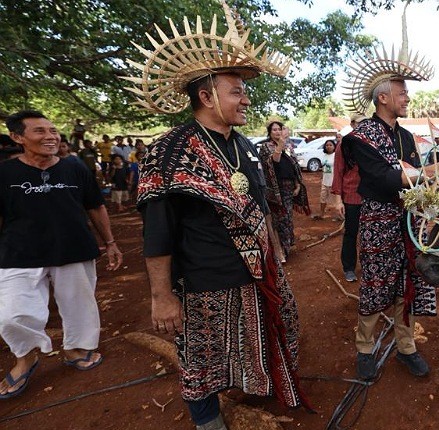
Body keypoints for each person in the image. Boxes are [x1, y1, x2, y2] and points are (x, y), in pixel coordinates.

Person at [125, 2, 308, 428]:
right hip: (204, 281)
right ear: (206, 97)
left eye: (244, 91)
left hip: (259, 271)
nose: (246, 99)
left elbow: (261, 206)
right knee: (202, 360)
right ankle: (207, 419)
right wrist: (161, 296)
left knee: (273, 330)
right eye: (236, 91)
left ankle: (260, 384)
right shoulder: (169, 151)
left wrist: (276, 251)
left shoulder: (245, 145)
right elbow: (157, 233)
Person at [0, 110, 122, 399]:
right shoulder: (4, 173)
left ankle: (76, 348)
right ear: (18, 137)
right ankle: (26, 357)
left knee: (79, 304)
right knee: (11, 313)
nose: (50, 136)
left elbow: (95, 206)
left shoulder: (75, 167)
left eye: (53, 130)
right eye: (40, 131)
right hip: (19, 252)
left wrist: (110, 242)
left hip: (73, 247)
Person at [341, 28, 439, 380]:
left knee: (407, 283)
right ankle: (365, 348)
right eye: (402, 93)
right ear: (382, 97)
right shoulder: (361, 137)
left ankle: (406, 347)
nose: (407, 98)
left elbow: (412, 177)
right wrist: (430, 171)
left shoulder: (407, 136)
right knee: (375, 285)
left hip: (409, 220)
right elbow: (384, 179)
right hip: (378, 220)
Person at [259, 121, 310, 258]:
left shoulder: (288, 146)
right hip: (275, 189)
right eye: (274, 129)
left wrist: (297, 184)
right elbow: (273, 162)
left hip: (289, 187)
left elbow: (294, 166)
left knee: (287, 217)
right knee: (278, 219)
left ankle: (286, 246)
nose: (277, 132)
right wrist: (280, 146)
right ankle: (279, 250)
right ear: (270, 132)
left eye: (279, 129)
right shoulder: (266, 147)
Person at [332, 118, 365, 283]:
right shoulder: (344, 144)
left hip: (372, 197)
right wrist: (338, 200)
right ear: (352, 124)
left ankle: (368, 266)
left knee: (370, 234)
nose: (362, 125)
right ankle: (349, 268)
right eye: (358, 122)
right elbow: (338, 172)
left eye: (365, 122)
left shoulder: (373, 143)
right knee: (351, 233)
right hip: (351, 196)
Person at [312, 139, 340, 220]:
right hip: (324, 181)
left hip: (333, 181)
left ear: (334, 146)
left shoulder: (336, 155)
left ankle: (339, 216)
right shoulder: (324, 155)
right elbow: (323, 167)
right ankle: (322, 214)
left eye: (330, 145)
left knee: (335, 200)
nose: (328, 146)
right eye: (327, 145)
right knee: (322, 197)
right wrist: (322, 176)